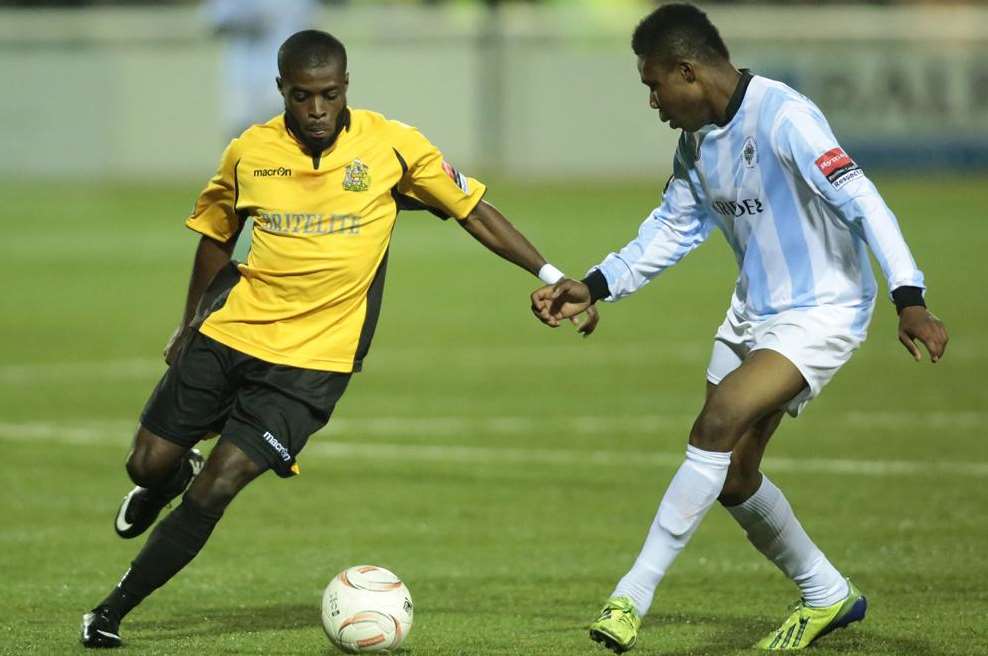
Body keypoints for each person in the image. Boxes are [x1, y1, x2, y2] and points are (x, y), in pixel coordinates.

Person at [80, 29, 596, 648]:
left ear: (346, 86)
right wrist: (190, 322)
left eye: (328, 95)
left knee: (221, 482)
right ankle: (164, 479)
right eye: (302, 97)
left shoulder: (393, 147)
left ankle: (111, 610)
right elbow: (216, 235)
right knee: (146, 461)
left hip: (312, 366)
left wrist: (550, 274)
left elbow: (473, 209)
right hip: (231, 334)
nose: (317, 110)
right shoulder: (249, 152)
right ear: (281, 91)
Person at [531, 4, 948, 653]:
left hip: (823, 308)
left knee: (717, 422)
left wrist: (910, 297)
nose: (652, 101)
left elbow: (861, 199)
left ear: (687, 71)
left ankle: (630, 597)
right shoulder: (696, 142)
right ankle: (827, 593)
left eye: (652, 84)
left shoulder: (786, 117)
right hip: (754, 309)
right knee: (733, 476)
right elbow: (672, 228)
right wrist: (596, 283)